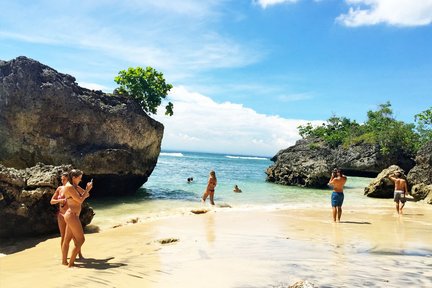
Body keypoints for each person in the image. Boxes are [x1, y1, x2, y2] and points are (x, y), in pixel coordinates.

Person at [61, 169, 92, 267]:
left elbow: (87, 195)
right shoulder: (69, 187)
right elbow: (79, 201)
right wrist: (87, 189)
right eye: (79, 178)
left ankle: (64, 262)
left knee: (67, 240)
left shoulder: (74, 187)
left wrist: (86, 189)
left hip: (72, 215)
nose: (81, 180)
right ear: (74, 178)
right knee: (81, 240)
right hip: (72, 215)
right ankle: (71, 263)